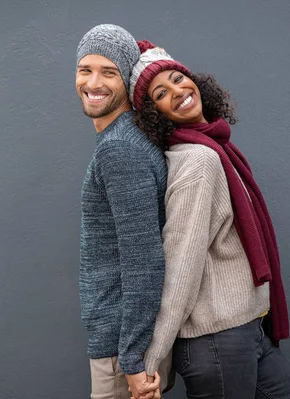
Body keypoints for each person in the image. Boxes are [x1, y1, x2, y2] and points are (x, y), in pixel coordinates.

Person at [125, 40, 290, 399]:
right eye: (161, 93)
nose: (178, 91)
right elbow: (181, 263)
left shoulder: (217, 147)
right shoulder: (199, 161)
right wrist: (152, 358)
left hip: (246, 331)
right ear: (156, 114)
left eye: (177, 78)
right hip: (216, 342)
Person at [75, 26, 174, 399]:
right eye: (85, 69)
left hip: (121, 349)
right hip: (123, 342)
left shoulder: (120, 149)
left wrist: (132, 360)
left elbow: (143, 259)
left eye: (109, 71)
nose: (93, 82)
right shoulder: (126, 138)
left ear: (127, 80)